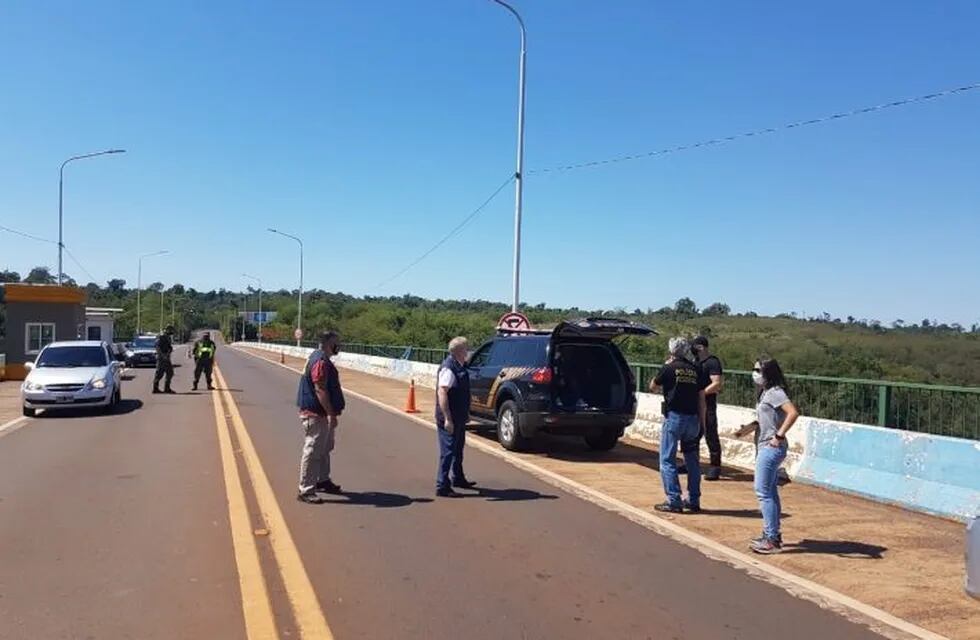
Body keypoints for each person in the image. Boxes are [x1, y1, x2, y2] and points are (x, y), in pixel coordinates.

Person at [650, 337, 708, 513]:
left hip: (674, 418)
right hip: (693, 419)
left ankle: (674, 500)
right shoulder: (695, 369)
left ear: (672, 351)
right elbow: (701, 398)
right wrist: (702, 423)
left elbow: (653, 386)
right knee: (692, 461)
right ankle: (693, 500)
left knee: (667, 460)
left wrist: (666, 366)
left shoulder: (669, 368)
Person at [750, 356, 800, 554]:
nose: (754, 374)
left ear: (768, 373)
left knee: (763, 491)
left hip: (771, 447)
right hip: (766, 445)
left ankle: (771, 538)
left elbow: (793, 412)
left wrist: (778, 436)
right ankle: (772, 534)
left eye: (758, 370)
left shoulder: (775, 393)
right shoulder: (765, 393)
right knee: (770, 491)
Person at [295, 331, 346, 504]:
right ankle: (306, 489)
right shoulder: (320, 362)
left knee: (324, 448)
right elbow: (320, 389)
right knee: (313, 449)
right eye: (335, 343)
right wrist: (331, 414)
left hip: (321, 413)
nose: (337, 346)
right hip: (316, 413)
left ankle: (323, 480)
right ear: (326, 344)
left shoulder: (319, 359)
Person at [435, 336, 476, 498]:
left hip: (459, 416)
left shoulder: (460, 366)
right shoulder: (449, 368)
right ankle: (442, 485)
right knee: (448, 451)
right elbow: (442, 392)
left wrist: (465, 413)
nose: (468, 351)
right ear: (459, 351)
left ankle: (458, 478)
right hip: (450, 418)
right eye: (466, 348)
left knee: (458, 449)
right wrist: (447, 419)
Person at [691, 336, 724, 480]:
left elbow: (716, 383)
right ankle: (691, 462)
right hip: (694, 403)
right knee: (692, 434)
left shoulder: (712, 362)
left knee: (710, 433)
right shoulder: (695, 362)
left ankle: (715, 466)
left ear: (701, 347)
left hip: (708, 402)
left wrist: (702, 393)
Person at [152, 326, 176, 394]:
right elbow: (157, 347)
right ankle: (155, 388)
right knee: (159, 373)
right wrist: (163, 355)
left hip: (166, 357)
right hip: (161, 358)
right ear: (167, 330)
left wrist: (168, 352)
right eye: (171, 330)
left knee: (170, 373)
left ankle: (167, 388)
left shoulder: (167, 337)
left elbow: (169, 347)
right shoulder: (161, 337)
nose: (172, 332)